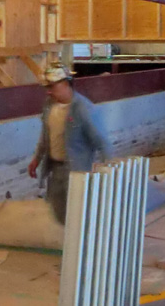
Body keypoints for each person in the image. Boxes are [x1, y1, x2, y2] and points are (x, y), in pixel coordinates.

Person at [27, 63, 113, 224]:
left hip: (77, 170)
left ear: (66, 84)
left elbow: (102, 141)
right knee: (58, 211)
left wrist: (108, 171)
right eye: (47, 87)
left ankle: (81, 244)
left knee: (78, 213)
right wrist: (36, 159)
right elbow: (45, 136)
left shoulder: (84, 109)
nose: (48, 91)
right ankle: (68, 242)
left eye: (52, 86)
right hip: (56, 168)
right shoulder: (49, 105)